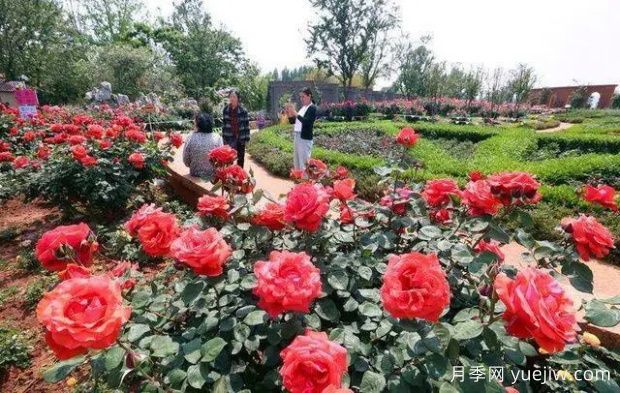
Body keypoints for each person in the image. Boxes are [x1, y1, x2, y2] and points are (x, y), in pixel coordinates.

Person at [183, 112, 223, 180]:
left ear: (197, 125)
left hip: (195, 173)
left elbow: (186, 160)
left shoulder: (190, 137)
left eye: (194, 123)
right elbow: (221, 159)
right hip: (212, 175)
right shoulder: (217, 138)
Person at [287, 87, 317, 171]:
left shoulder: (312, 108)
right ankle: (298, 181)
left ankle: (305, 182)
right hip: (297, 136)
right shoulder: (303, 108)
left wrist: (296, 113)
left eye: (303, 96)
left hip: (304, 138)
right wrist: (289, 114)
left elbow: (307, 122)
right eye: (300, 97)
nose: (301, 99)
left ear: (309, 96)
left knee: (303, 163)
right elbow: (294, 122)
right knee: (296, 161)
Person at [222, 90, 251, 168]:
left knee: (240, 158)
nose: (232, 98)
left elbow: (246, 125)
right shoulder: (226, 110)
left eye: (234, 96)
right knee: (229, 158)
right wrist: (224, 137)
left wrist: (247, 139)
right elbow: (224, 124)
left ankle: (239, 175)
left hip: (240, 137)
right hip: (229, 137)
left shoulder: (243, 111)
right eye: (231, 96)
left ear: (238, 98)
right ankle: (229, 176)